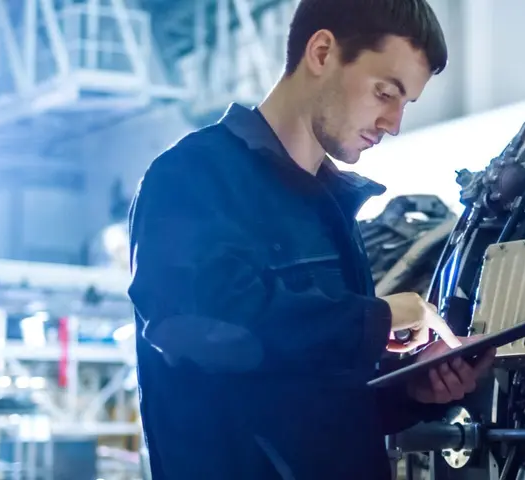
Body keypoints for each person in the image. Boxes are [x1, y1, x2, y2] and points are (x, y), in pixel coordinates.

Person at [125, 0, 495, 478]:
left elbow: (317, 395)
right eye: (385, 92)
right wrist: (379, 319)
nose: (394, 124)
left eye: (406, 104)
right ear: (322, 52)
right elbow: (204, 325)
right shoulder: (191, 177)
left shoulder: (331, 207)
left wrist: (411, 392)